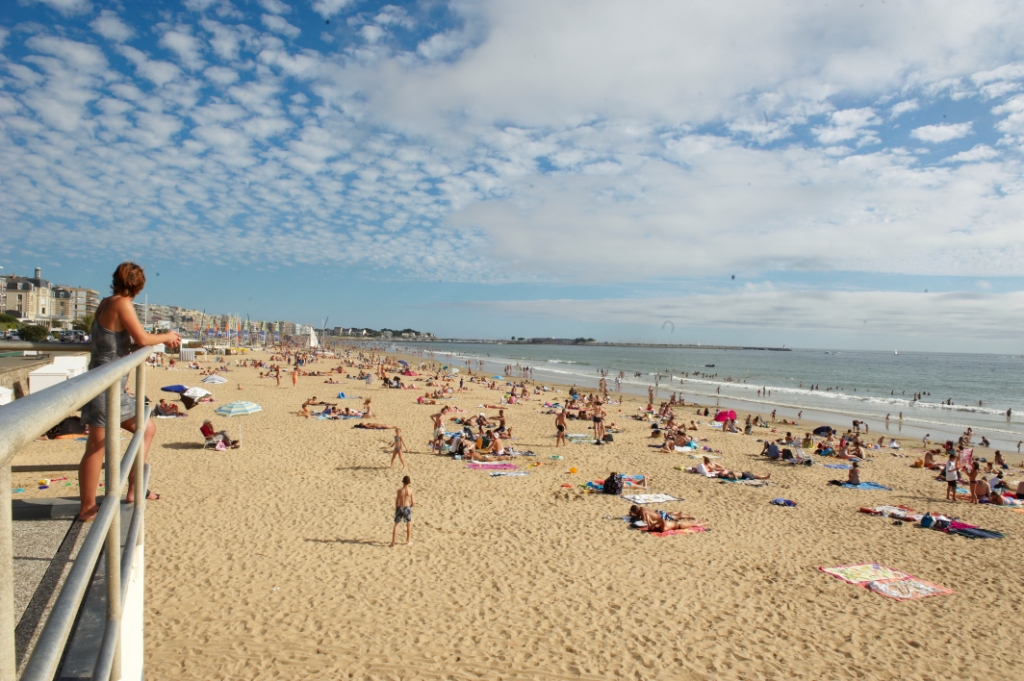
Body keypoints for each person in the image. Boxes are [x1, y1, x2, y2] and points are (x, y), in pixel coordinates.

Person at [78, 263, 181, 522]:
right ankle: (87, 507)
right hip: (104, 385)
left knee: (146, 428)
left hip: (110, 384)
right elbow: (144, 339)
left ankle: (135, 489)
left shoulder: (106, 302)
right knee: (96, 447)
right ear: (139, 286)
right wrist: (167, 336)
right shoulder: (122, 304)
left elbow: (124, 340)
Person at [391, 475, 414, 547]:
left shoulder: (399, 491)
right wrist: (410, 508)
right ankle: (408, 541)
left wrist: (396, 509)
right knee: (408, 524)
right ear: (409, 482)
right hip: (407, 507)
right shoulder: (410, 491)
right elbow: (412, 502)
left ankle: (393, 542)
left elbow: (396, 501)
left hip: (400, 507)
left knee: (396, 524)